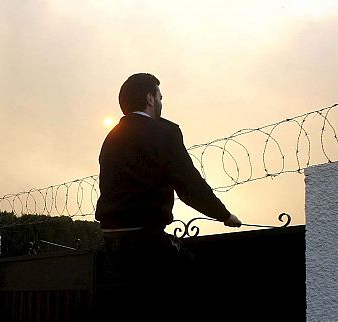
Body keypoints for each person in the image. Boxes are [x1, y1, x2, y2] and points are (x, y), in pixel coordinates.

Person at [95, 73, 241, 283]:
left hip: (111, 240)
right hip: (144, 238)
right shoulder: (164, 132)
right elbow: (189, 184)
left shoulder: (111, 138)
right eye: (160, 97)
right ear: (150, 98)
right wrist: (224, 215)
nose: (161, 102)